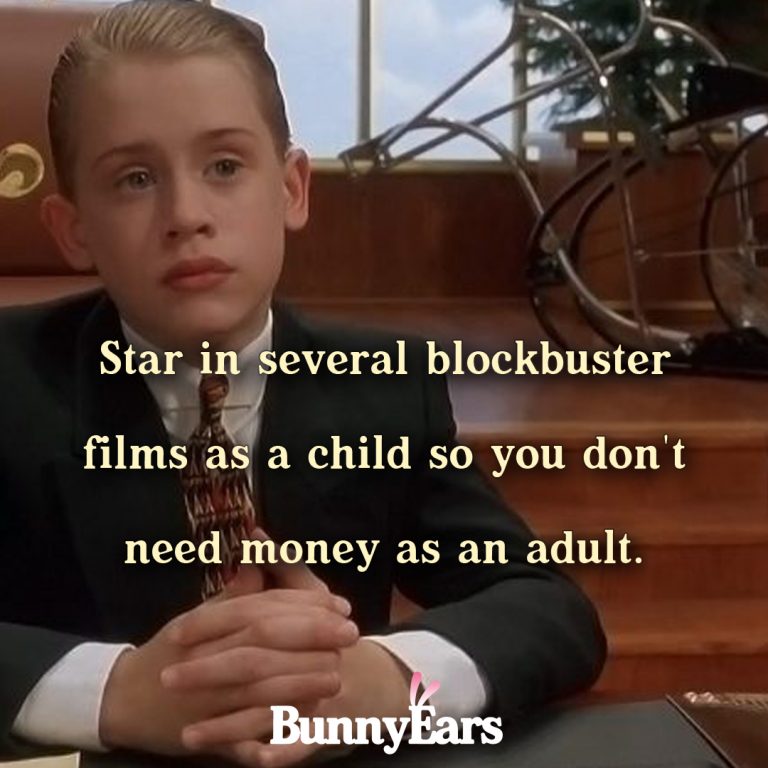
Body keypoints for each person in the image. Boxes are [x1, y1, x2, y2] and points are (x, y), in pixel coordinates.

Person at [0, 1, 606, 765]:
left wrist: (386, 680)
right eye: (135, 179)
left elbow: (549, 608)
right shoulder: (12, 384)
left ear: (291, 189)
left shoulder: (383, 388)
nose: (186, 215)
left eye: (225, 166)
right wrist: (114, 692)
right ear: (74, 229)